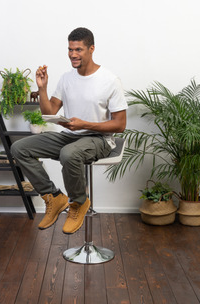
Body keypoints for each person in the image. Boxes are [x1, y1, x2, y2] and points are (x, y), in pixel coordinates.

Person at [11, 27, 127, 234]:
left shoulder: (109, 80)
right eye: (70, 49)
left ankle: (78, 202)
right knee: (19, 148)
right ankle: (54, 198)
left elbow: (120, 125)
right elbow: (49, 112)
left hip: (99, 139)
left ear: (91, 49)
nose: (73, 54)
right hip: (70, 135)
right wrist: (43, 89)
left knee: (69, 154)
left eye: (79, 50)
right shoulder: (66, 78)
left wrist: (85, 125)